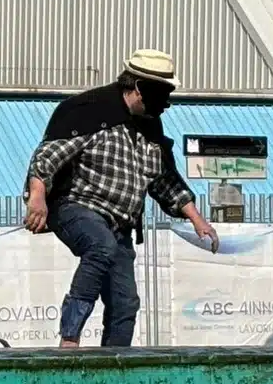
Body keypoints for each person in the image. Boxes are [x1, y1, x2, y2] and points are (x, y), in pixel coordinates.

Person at [23, 49, 220, 348]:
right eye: (161, 96)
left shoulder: (150, 128)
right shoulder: (90, 110)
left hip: (120, 224)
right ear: (140, 88)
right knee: (99, 246)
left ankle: (115, 365)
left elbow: (165, 180)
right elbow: (47, 157)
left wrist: (197, 218)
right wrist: (37, 196)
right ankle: (70, 338)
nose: (165, 105)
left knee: (125, 302)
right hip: (76, 206)